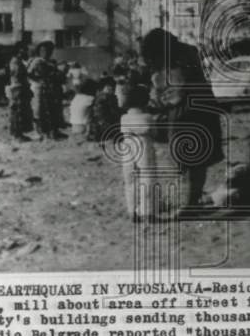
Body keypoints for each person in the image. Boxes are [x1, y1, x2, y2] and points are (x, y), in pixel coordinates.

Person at [139, 28, 224, 212]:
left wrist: (159, 100)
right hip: (202, 110)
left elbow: (172, 91)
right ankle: (192, 200)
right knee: (198, 159)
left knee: (187, 159)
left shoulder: (175, 62)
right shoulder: (187, 52)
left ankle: (189, 203)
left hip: (187, 112)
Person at [118, 84, 160, 221]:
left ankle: (132, 211)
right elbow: (155, 133)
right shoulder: (147, 117)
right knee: (147, 178)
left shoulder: (123, 118)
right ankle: (147, 212)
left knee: (130, 179)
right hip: (144, 145)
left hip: (128, 146)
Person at [28, 41, 65, 140]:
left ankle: (52, 131)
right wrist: (38, 80)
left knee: (51, 110)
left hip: (50, 88)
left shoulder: (50, 62)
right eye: (44, 50)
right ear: (40, 51)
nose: (46, 52)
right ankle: (39, 132)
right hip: (39, 88)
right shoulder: (37, 61)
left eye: (49, 50)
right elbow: (29, 73)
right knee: (38, 111)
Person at [7, 42, 34, 141]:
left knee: (21, 111)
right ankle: (17, 135)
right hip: (17, 89)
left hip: (20, 88)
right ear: (19, 50)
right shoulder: (15, 62)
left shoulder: (19, 61)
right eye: (25, 50)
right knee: (17, 111)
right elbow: (17, 75)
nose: (26, 52)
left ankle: (19, 133)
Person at [88, 77, 121, 144]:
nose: (113, 89)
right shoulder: (105, 98)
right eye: (112, 88)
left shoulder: (99, 97)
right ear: (107, 87)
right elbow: (103, 116)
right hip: (104, 128)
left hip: (97, 128)